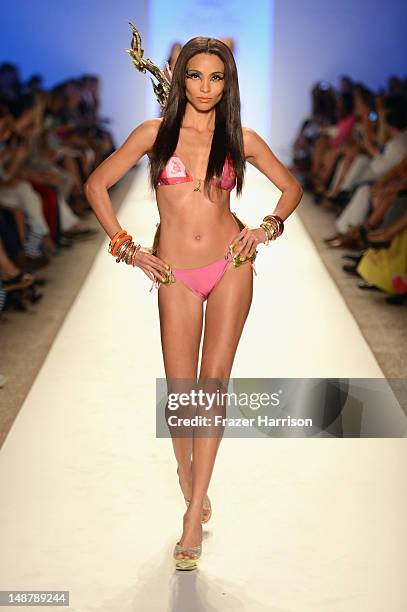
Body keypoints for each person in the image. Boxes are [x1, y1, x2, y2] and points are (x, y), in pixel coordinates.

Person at [84, 36, 303, 571]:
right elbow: (96, 185)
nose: (205, 87)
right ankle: (188, 479)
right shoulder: (154, 134)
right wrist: (128, 248)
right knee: (181, 396)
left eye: (216, 78)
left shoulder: (240, 137)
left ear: (228, 84)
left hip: (231, 265)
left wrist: (267, 227)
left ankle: (191, 521)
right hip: (175, 272)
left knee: (213, 386)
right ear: (180, 79)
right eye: (195, 76)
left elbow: (290, 188)